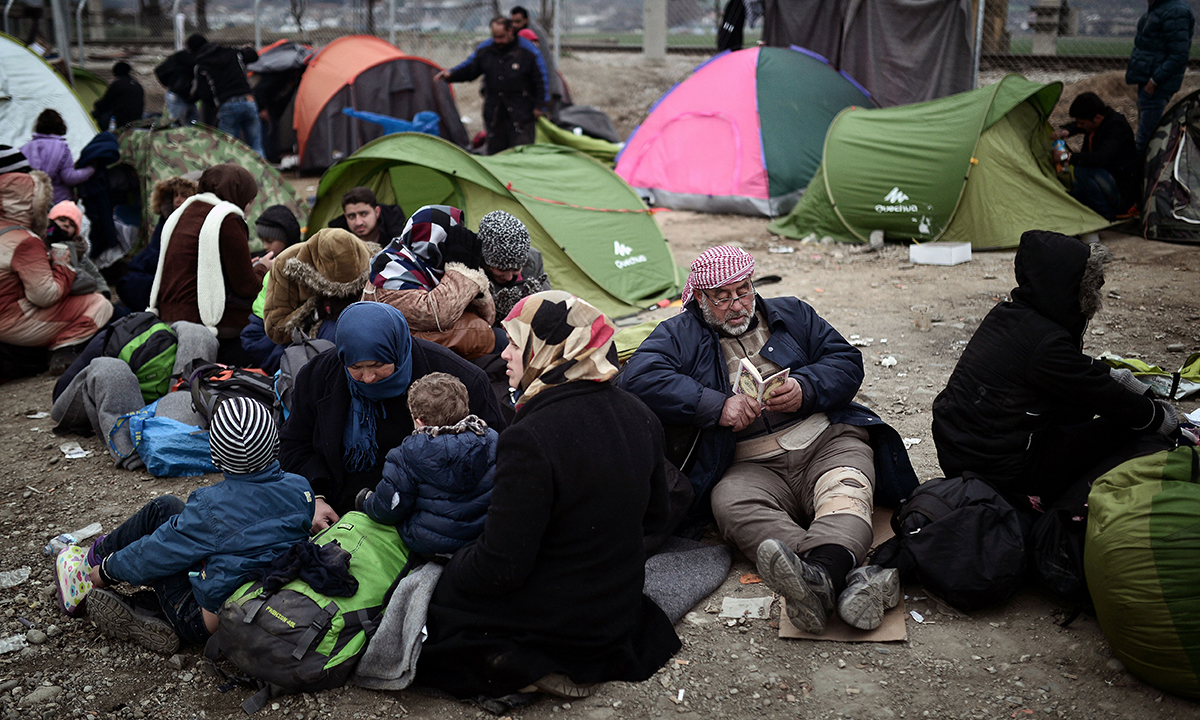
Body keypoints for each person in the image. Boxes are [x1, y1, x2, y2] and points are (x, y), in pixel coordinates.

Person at [618, 246, 917, 635]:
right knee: (728, 505)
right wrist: (717, 405)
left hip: (826, 441)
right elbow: (638, 379)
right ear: (700, 297)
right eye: (722, 297)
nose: (737, 305)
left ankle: (819, 576)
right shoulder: (679, 334)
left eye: (742, 291)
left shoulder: (792, 312)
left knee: (846, 490)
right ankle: (841, 573)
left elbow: (845, 360)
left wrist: (805, 387)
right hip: (748, 464)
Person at [415, 291, 680, 700]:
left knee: (440, 609)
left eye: (516, 344)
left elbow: (502, 566)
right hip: (618, 605)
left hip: (563, 619)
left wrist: (450, 572)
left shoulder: (529, 438)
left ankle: (536, 668)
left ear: (548, 350)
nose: (505, 354)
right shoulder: (640, 413)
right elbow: (656, 520)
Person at [932, 230, 1181, 511]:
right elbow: (1102, 395)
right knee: (1124, 427)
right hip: (999, 470)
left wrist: (1119, 377)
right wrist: (1160, 418)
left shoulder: (1010, 316)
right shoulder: (1045, 344)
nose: (1097, 291)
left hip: (964, 451)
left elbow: (1078, 372)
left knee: (1078, 406)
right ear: (1067, 285)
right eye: (1089, 284)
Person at [68, 398, 314, 654]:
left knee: (164, 510)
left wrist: (109, 571)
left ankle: (95, 562)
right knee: (193, 533)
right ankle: (146, 608)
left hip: (197, 617)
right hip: (259, 602)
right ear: (274, 443)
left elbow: (157, 552)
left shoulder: (211, 506)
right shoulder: (301, 488)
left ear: (217, 455)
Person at [279, 301, 506, 532]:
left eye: (377, 364)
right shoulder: (318, 376)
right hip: (337, 515)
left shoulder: (459, 381)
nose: (368, 378)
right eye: (356, 367)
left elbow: (492, 457)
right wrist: (314, 497)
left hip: (424, 521)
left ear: (396, 349)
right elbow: (294, 444)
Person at [356, 372, 497, 556]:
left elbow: (389, 507)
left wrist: (367, 501)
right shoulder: (490, 438)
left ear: (419, 421)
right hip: (484, 533)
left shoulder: (408, 455)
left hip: (433, 543)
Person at [148, 164, 271, 358]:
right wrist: (263, 267)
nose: (250, 208)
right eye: (250, 200)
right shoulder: (228, 218)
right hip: (204, 318)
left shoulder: (186, 210)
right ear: (238, 194)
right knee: (267, 323)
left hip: (167, 313)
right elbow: (247, 286)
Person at [0, 170, 112, 369]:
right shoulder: (25, 240)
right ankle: (63, 348)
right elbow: (44, 295)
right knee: (99, 305)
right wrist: (63, 265)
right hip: (9, 321)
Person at [367, 205, 500, 360]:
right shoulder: (390, 271)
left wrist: (471, 271)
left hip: (449, 351)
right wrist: (461, 272)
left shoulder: (441, 265)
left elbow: (488, 317)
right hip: (403, 357)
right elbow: (436, 315)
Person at [435, 16, 548, 155]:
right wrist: (451, 75)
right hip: (495, 114)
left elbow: (541, 80)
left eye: (501, 37)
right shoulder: (486, 50)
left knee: (521, 153)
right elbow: (470, 68)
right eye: (495, 37)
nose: (498, 41)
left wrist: (540, 106)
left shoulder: (527, 51)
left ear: (510, 31)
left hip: (521, 114)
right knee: (496, 153)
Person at [260, 226, 371, 346]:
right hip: (307, 335)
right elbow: (276, 331)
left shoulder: (371, 258)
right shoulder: (285, 265)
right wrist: (315, 311)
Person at [115, 176, 197, 313]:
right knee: (130, 282)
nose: (177, 200)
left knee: (135, 285)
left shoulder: (197, 223)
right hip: (158, 269)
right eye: (175, 195)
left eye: (184, 195)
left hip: (180, 279)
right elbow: (155, 248)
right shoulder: (168, 217)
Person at [1052, 92, 1140, 220]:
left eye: (1082, 123)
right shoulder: (1098, 121)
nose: (1079, 126)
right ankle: (1098, 208)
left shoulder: (1117, 127)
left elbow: (1099, 158)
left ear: (1097, 118)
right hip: (1106, 182)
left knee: (1081, 171)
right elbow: (1078, 126)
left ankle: (1107, 215)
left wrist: (1066, 157)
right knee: (1073, 192)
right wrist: (1066, 131)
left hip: (1121, 190)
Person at [1127, 0, 1195, 152]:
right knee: (1146, 136)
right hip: (1148, 82)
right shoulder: (1161, 8)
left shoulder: (1175, 11)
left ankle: (1143, 174)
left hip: (1156, 85)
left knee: (1147, 140)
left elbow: (1179, 54)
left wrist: (1154, 81)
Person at [189, 34, 264, 157]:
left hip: (227, 105)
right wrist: (248, 48)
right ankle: (264, 175)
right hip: (248, 101)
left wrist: (216, 105)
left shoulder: (201, 65)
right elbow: (253, 56)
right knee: (256, 145)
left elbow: (204, 94)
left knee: (228, 148)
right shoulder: (232, 52)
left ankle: (231, 175)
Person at [478, 209, 550, 321]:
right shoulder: (470, 269)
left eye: (516, 269)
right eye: (501, 269)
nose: (509, 277)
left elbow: (549, 302)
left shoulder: (533, 260)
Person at [20, 110, 94, 204]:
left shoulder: (25, 148)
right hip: (56, 203)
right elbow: (69, 178)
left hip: (29, 202)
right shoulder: (62, 148)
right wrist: (90, 169)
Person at [45, 200, 111, 301]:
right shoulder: (41, 242)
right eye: (62, 220)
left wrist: (104, 291)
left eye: (72, 224)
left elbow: (94, 274)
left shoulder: (78, 250)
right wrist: (55, 236)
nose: (66, 224)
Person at [510, 5, 565, 119]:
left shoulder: (533, 35)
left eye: (518, 21)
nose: (515, 25)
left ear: (526, 20)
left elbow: (544, 67)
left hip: (545, 91)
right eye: (513, 21)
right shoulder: (515, 35)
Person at [328, 187, 406, 247]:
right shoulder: (337, 241)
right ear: (345, 217)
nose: (358, 222)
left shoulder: (398, 238)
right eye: (351, 216)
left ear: (377, 212)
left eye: (364, 214)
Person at [155, 41, 199, 125]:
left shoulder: (178, 57)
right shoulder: (198, 60)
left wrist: (170, 84)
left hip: (175, 94)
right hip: (189, 96)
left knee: (177, 124)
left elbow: (160, 71)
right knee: (192, 125)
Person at [92, 61, 144, 130]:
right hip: (137, 117)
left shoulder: (117, 84)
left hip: (120, 118)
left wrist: (96, 105)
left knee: (97, 114)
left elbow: (106, 102)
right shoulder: (137, 84)